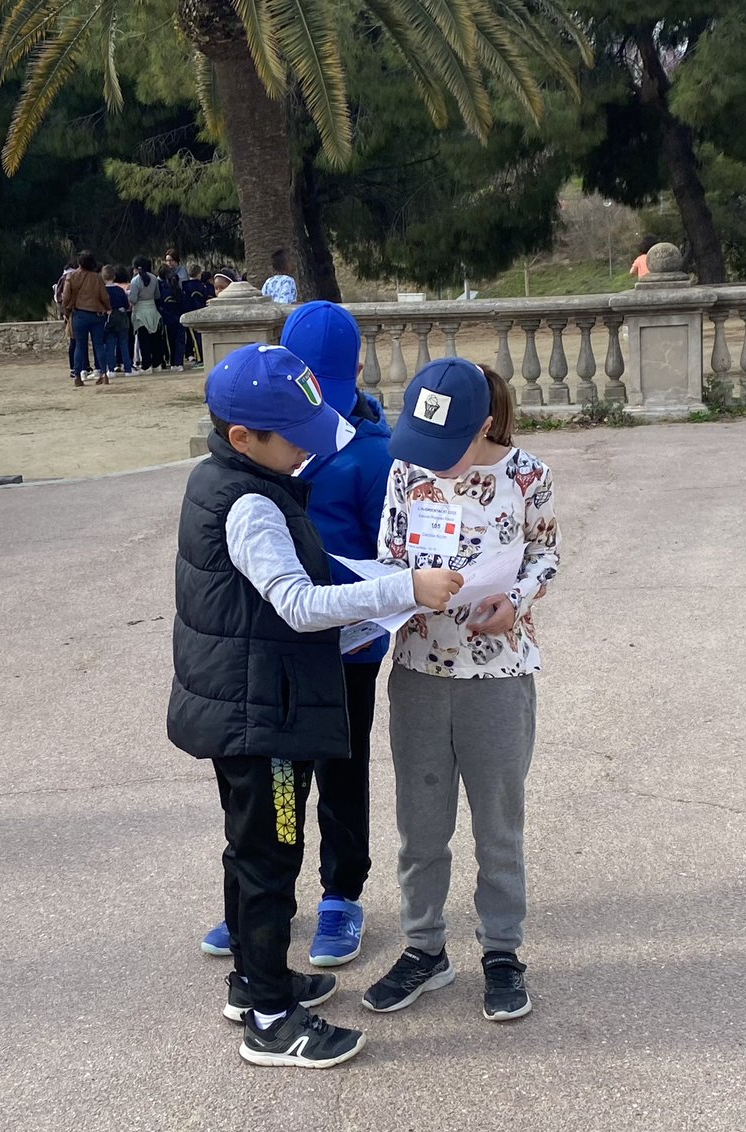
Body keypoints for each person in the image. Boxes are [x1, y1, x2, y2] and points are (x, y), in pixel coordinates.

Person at [167, 342, 463, 1068]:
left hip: (251, 699)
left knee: (251, 851)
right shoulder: (249, 505)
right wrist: (402, 589)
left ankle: (252, 980)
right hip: (261, 715)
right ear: (244, 438)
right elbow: (297, 606)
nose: (306, 448)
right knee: (270, 857)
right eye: (291, 437)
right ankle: (270, 1020)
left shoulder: (231, 478)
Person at [361, 358, 560, 1023]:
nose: (433, 464)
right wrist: (402, 591)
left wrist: (517, 597)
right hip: (418, 670)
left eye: (448, 450)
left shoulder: (527, 475)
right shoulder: (404, 470)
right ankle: (423, 950)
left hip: (498, 675)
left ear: (482, 426)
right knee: (419, 827)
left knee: (497, 829)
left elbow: (545, 554)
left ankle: (501, 952)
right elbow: (390, 552)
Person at [201, 302, 392, 968]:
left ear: (359, 372)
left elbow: (391, 551)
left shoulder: (372, 454)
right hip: (278, 650)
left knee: (342, 772)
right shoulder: (246, 464)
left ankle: (341, 894)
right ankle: (260, 901)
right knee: (274, 786)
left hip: (348, 645)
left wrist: (383, 594)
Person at [62, 251, 111, 388]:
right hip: (96, 314)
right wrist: (107, 308)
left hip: (79, 314)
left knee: (80, 346)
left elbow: (65, 297)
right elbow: (105, 297)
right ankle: (103, 374)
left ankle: (78, 376)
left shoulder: (71, 276)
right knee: (99, 345)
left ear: (79, 262)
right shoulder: (97, 278)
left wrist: (66, 312)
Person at [129, 257, 165, 373]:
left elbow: (133, 299)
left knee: (143, 340)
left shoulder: (135, 281)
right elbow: (157, 295)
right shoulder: (154, 278)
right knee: (155, 338)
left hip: (140, 311)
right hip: (152, 310)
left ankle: (146, 365)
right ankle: (157, 363)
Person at [101, 265, 134, 378]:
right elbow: (126, 304)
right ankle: (128, 369)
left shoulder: (103, 291)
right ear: (114, 276)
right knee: (124, 344)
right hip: (121, 319)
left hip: (109, 319)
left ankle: (111, 369)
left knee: (110, 345)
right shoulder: (119, 290)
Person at [158, 264, 187, 371]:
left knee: (170, 341)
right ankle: (179, 363)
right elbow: (184, 304)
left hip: (167, 318)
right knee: (180, 341)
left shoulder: (162, 289)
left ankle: (172, 362)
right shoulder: (179, 291)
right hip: (178, 317)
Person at [183, 263, 208, 365]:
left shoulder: (185, 286)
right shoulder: (202, 286)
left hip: (191, 313)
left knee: (195, 338)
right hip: (202, 312)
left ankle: (200, 358)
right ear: (199, 274)